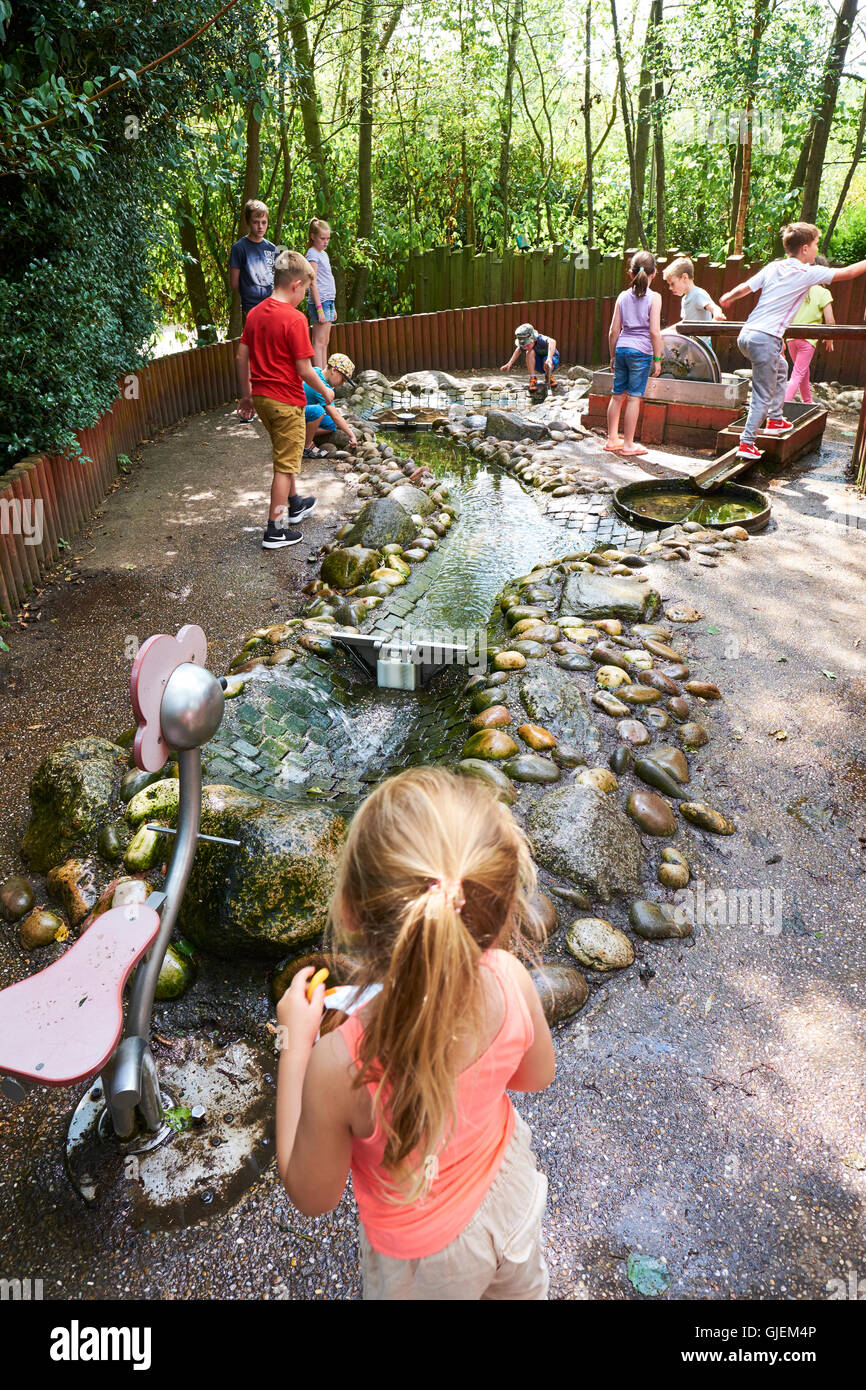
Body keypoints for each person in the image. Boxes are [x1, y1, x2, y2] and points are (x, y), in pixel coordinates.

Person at [275, 767, 555, 1301]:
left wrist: (295, 1045)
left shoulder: (340, 1067)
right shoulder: (512, 981)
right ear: (496, 918)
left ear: (349, 914)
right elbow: (537, 1076)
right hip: (510, 1194)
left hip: (425, 1267)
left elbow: (311, 1194)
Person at [720, 222, 866, 460]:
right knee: (762, 393)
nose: (817, 250)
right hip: (765, 339)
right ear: (806, 249)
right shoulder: (807, 273)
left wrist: (728, 297)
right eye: (816, 245)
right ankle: (747, 442)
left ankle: (776, 419)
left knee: (782, 368)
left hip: (747, 334)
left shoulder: (774, 267)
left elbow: (746, 288)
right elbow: (848, 273)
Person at [235, 250, 336, 550]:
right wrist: (327, 390)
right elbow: (304, 369)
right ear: (295, 285)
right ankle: (276, 529)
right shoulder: (294, 319)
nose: (304, 294)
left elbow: (242, 356)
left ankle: (293, 503)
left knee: (284, 454)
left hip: (263, 399)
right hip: (287, 403)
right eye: (305, 288)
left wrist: (246, 395)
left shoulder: (255, 314)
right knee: (284, 465)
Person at [604, 250, 664, 456]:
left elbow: (613, 331)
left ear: (631, 274)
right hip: (641, 352)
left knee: (617, 395)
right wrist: (658, 358)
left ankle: (612, 439)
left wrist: (612, 356)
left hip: (622, 348)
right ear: (654, 274)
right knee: (633, 398)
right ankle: (628, 445)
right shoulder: (655, 298)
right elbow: (655, 332)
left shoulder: (622, 296)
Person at [229, 200, 277, 422]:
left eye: (264, 222)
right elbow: (234, 282)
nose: (260, 226)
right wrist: (252, 292)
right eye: (256, 222)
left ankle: (269, 398)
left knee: (271, 353)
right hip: (251, 307)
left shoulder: (271, 249)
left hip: (271, 307)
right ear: (248, 222)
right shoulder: (239, 248)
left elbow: (276, 279)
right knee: (251, 356)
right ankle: (249, 400)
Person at [784, 255, 835, 404]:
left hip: (792, 338)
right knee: (798, 373)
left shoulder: (798, 290)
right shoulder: (823, 293)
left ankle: (807, 401)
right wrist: (830, 336)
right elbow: (830, 319)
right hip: (807, 340)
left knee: (802, 371)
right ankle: (783, 405)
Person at [663, 256, 726, 349]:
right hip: (691, 346)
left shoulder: (698, 294)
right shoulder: (685, 298)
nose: (670, 288)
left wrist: (717, 315)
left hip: (701, 348)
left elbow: (715, 308)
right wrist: (664, 332)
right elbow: (684, 323)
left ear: (685, 277)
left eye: (672, 283)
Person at [303, 353, 359, 457]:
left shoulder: (317, 371)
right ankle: (306, 446)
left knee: (331, 424)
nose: (342, 384)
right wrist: (351, 435)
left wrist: (343, 425)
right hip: (294, 411)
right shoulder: (319, 384)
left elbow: (333, 415)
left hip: (303, 411)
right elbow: (334, 415)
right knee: (318, 411)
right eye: (343, 379)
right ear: (334, 371)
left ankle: (303, 434)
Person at [306, 218, 337, 368]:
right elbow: (313, 283)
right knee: (318, 342)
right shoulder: (312, 254)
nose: (325, 242)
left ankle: (324, 375)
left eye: (328, 239)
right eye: (322, 238)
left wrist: (333, 306)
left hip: (328, 301)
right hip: (320, 302)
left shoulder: (323, 254)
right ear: (313, 236)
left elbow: (327, 279)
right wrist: (319, 309)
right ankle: (319, 378)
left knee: (325, 342)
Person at [500, 324, 560, 392]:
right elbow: (518, 350)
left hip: (551, 363)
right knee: (529, 352)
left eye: (527, 344)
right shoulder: (527, 347)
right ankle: (533, 378)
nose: (525, 347)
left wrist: (549, 358)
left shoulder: (540, 339)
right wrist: (509, 363)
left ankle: (548, 377)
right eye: (523, 345)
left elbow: (552, 341)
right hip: (538, 364)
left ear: (533, 339)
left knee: (546, 360)